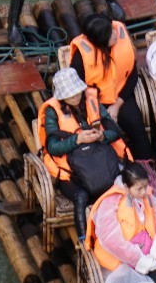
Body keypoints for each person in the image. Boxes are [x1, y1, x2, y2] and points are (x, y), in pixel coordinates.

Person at [37, 67, 129, 237]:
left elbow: (115, 131)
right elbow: (52, 148)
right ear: (62, 96)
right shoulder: (52, 112)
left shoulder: (91, 100)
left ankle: (128, 224)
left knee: (128, 178)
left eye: (77, 92)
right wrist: (77, 140)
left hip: (99, 160)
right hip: (71, 171)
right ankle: (83, 239)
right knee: (81, 196)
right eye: (70, 95)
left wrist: (101, 136)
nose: (76, 96)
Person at [61, 13, 155, 162]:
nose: (115, 33)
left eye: (112, 28)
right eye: (110, 32)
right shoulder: (81, 57)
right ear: (100, 40)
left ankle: (147, 167)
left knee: (136, 126)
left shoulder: (120, 37)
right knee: (104, 135)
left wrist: (117, 105)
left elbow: (132, 76)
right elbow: (76, 90)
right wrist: (101, 111)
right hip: (94, 103)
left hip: (121, 95)